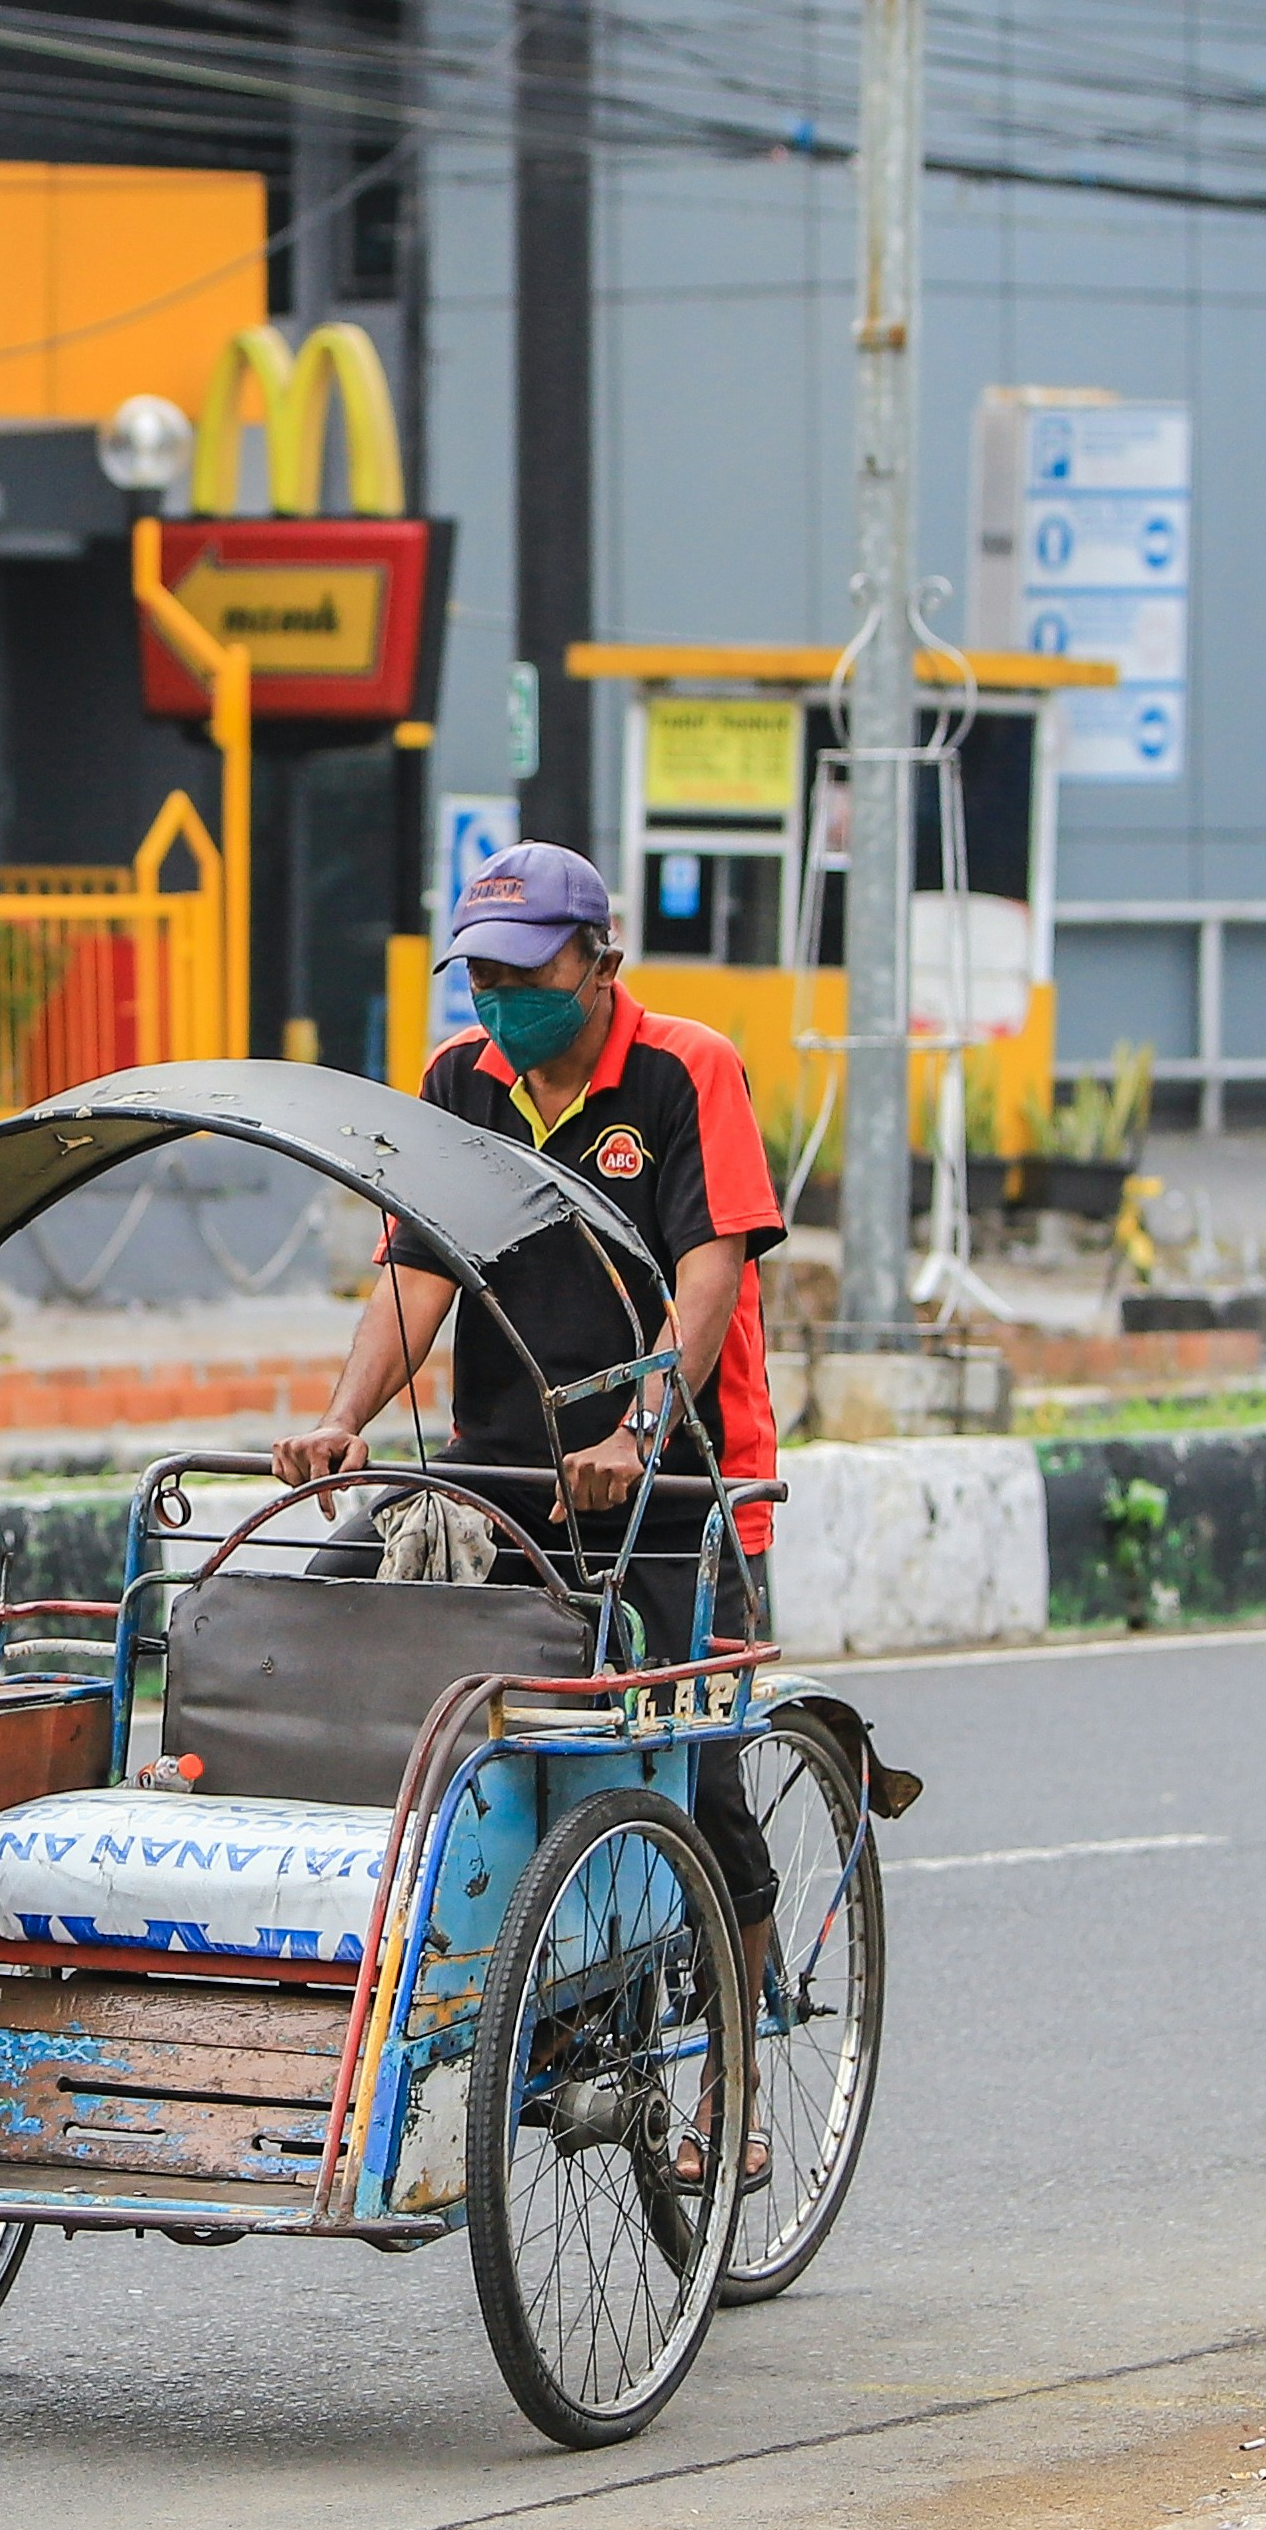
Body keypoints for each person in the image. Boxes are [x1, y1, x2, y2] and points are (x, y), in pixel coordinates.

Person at [275, 843, 789, 2141]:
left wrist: (636, 1424)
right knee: (326, 1630)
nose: (497, 996)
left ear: (598, 960)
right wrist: (339, 1417)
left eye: (522, 971)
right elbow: (413, 1274)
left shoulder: (684, 1070)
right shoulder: (462, 1079)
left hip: (675, 1480)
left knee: (696, 1767)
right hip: (501, 1468)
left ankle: (739, 2046)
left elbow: (708, 1272)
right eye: (479, 973)